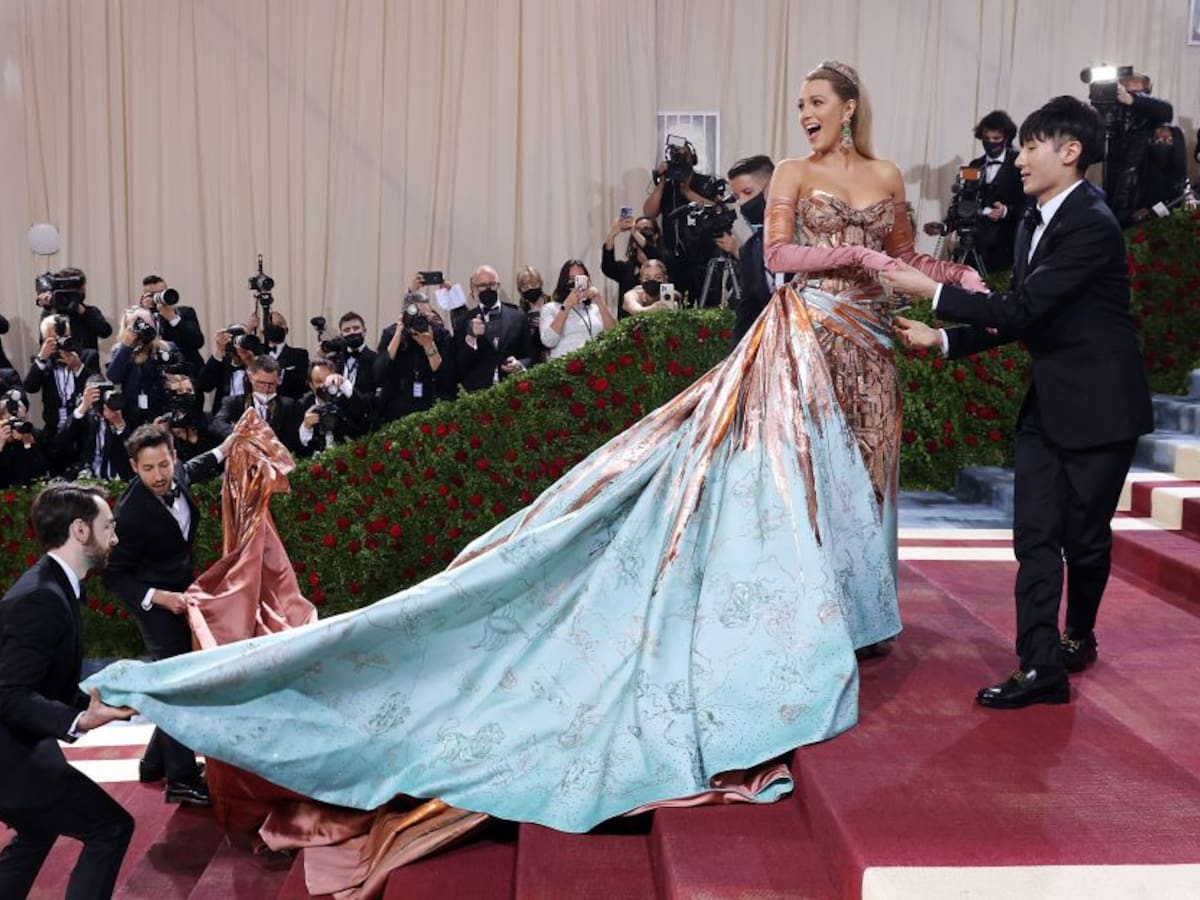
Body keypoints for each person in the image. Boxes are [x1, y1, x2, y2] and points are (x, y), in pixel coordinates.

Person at [86, 60, 979, 887]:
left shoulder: (890, 176)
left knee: (865, 483)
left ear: (849, 105)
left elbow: (904, 257)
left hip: (870, 345)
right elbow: (779, 259)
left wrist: (952, 295)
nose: (806, 118)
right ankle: (807, 623)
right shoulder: (790, 172)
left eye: (816, 106)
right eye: (800, 109)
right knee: (791, 488)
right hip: (799, 341)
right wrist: (858, 258)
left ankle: (856, 615)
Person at [885, 95, 1154, 709]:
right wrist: (946, 339)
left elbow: (1025, 310)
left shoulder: (1091, 221)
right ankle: (1040, 667)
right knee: (1034, 535)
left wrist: (935, 291)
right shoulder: (1034, 218)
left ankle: (1078, 634)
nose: (1021, 159)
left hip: (1101, 409)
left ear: (1071, 151)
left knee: (1085, 540)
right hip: (1048, 404)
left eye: (1032, 146)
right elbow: (1019, 317)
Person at [0, 483, 135, 899]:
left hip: (19, 750)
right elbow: (9, 693)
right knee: (111, 827)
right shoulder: (42, 597)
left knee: (39, 830)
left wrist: (97, 703)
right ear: (80, 531)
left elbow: (40, 682)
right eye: (108, 526)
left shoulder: (52, 584)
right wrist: (77, 719)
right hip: (11, 760)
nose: (115, 538)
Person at [102, 424, 234, 806]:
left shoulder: (176, 473)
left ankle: (154, 762)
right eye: (148, 469)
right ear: (133, 467)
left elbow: (196, 467)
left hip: (181, 591)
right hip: (153, 602)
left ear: (172, 458)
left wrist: (227, 448)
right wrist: (161, 598)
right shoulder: (129, 515)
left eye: (163, 464)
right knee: (178, 685)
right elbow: (114, 577)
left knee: (178, 677)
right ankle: (181, 779)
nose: (159, 476)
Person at [924, 111, 1025, 274]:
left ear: (1006, 137)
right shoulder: (975, 165)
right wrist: (944, 226)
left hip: (1006, 249)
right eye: (987, 139)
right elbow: (965, 202)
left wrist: (1006, 211)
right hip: (975, 244)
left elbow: (1030, 204)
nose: (991, 143)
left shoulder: (1019, 163)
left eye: (996, 139)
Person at [1103, 71, 1173, 227]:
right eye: (1124, 91)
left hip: (1140, 199)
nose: (1126, 97)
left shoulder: (1152, 120)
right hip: (1111, 194)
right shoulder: (1112, 116)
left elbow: (1167, 110)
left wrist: (1132, 100)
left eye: (1135, 93)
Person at [376, 292, 455, 422]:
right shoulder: (391, 333)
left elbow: (446, 377)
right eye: (417, 316)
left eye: (426, 316)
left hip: (430, 407)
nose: (421, 320)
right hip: (396, 409)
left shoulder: (441, 334)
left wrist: (429, 345)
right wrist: (398, 333)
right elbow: (379, 373)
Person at [453, 265, 533, 392]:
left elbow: (529, 355)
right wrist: (472, 338)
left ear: (498, 286)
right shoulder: (463, 321)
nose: (488, 289)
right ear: (473, 290)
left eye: (492, 284)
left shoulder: (518, 316)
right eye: (483, 286)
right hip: (478, 394)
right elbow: (459, 364)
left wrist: (519, 365)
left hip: (513, 390)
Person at [726, 154, 775, 346]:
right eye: (737, 197)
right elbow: (747, 313)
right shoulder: (749, 250)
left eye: (748, 192)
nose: (742, 204)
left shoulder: (809, 236)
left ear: (772, 186)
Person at [211, 355, 304, 454]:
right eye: (261, 383)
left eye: (271, 384)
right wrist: (240, 435)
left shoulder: (289, 406)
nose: (266, 389)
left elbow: (293, 441)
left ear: (278, 380)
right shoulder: (233, 403)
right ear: (251, 378)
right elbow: (217, 424)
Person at [539, 260, 617, 360]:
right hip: (564, 366)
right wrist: (567, 305)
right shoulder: (550, 308)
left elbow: (614, 334)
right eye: (572, 279)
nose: (576, 284)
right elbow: (548, 341)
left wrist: (599, 301)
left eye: (580, 279)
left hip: (595, 365)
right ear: (564, 282)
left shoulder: (595, 308)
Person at [601, 214, 674, 311]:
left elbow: (654, 255)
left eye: (646, 229)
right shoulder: (627, 268)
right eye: (637, 229)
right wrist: (612, 234)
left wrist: (635, 232)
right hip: (630, 322)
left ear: (656, 236)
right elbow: (607, 267)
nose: (641, 232)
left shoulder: (664, 262)